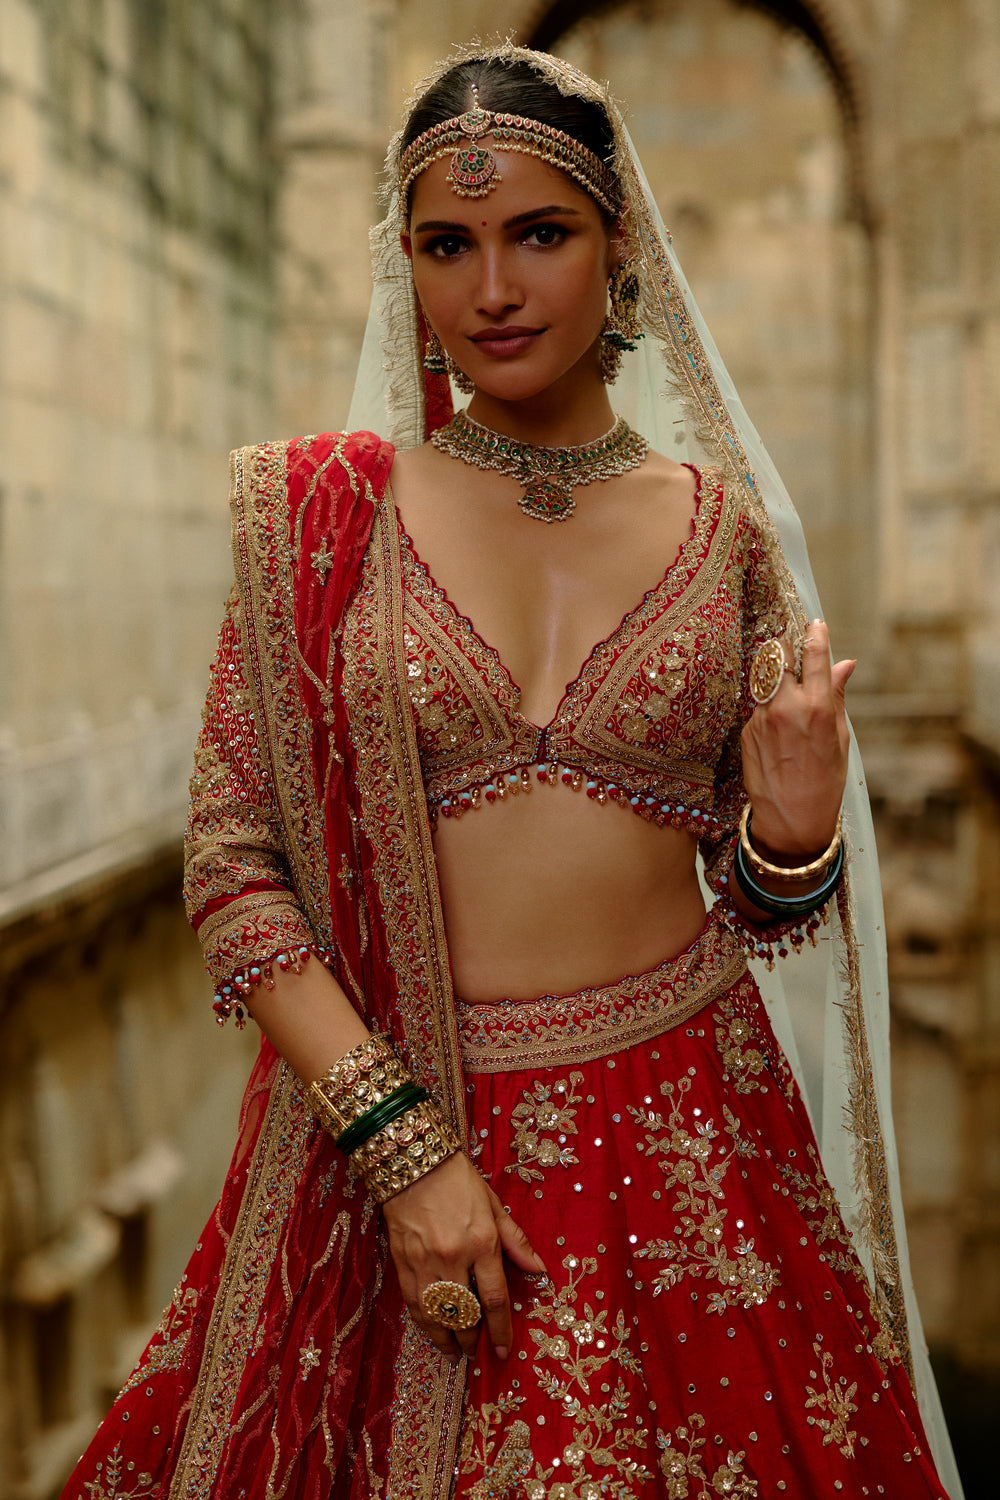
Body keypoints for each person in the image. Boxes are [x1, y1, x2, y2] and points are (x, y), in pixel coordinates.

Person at [62, 43, 961, 1500]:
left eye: (540, 234)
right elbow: (233, 869)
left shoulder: (717, 533)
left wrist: (791, 838)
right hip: (399, 1133)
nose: (492, 287)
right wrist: (401, 1147)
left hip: (692, 1147)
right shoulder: (320, 523)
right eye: (447, 245)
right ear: (404, 267)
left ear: (622, 253)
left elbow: (765, 905)